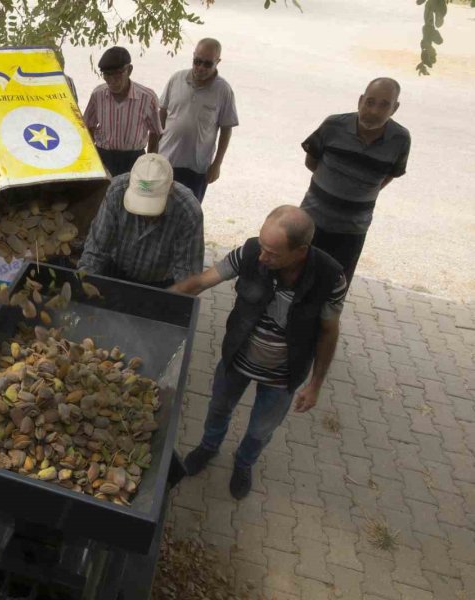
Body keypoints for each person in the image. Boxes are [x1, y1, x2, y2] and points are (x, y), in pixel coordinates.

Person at [171, 206, 346, 500]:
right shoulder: (252, 252)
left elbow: (329, 332)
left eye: (273, 253)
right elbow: (202, 281)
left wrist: (315, 385)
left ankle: (244, 463)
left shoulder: (331, 278)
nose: (263, 258)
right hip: (237, 360)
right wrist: (162, 298)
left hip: (282, 376)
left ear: (301, 251)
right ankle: (208, 447)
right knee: (218, 408)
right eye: (262, 247)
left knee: (260, 429)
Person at [300, 77, 411, 285]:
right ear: (360, 101)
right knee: (295, 283)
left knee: (332, 291)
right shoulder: (333, 124)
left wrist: (359, 191)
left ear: (395, 108)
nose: (374, 111)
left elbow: (388, 176)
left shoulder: (401, 139)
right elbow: (311, 161)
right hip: (310, 222)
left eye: (384, 105)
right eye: (370, 102)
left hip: (351, 232)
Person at [78, 153, 204, 288]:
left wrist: (173, 299)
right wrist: (84, 283)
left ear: (170, 190)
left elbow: (187, 274)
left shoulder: (188, 211)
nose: (146, 215)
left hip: (160, 283)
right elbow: (96, 250)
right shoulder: (116, 191)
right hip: (115, 271)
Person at [158, 38, 238, 202]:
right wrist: (154, 148)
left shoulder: (223, 90)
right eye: (197, 61)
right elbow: (162, 113)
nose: (201, 67)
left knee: (188, 214)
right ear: (193, 56)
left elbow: (226, 129)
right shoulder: (176, 79)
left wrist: (217, 164)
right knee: (157, 208)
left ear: (218, 62)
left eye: (207, 64)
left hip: (197, 167)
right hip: (166, 161)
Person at [82, 46, 163, 177]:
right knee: (103, 196)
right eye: (107, 75)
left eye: (118, 74)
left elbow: (155, 132)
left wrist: (150, 164)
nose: (112, 81)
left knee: (131, 196)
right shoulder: (98, 95)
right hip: (104, 157)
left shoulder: (147, 97)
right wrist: (90, 159)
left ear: (129, 70)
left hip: (134, 159)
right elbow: (88, 128)